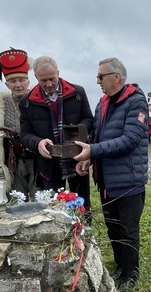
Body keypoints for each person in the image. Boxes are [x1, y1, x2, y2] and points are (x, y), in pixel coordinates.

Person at [73, 57, 148, 292]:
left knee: (128, 230)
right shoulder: (102, 104)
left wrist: (93, 150)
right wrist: (88, 157)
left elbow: (129, 140)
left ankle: (131, 273)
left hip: (128, 179)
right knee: (113, 227)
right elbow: (97, 135)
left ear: (116, 77)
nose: (98, 81)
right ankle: (120, 265)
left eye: (101, 77)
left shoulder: (136, 102)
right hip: (106, 178)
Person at [19, 56, 93, 216]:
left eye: (52, 78)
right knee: (53, 210)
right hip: (48, 164)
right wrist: (38, 143)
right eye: (43, 80)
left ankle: (84, 238)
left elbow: (88, 119)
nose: (49, 84)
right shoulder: (27, 102)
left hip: (77, 159)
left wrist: (78, 131)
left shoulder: (77, 93)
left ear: (58, 73)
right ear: (36, 78)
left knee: (82, 206)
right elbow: (24, 134)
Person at [0, 48, 40, 200]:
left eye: (22, 80)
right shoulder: (1, 104)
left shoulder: (38, 100)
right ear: (7, 84)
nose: (18, 85)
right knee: (17, 200)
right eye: (13, 81)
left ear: (28, 81)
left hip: (37, 157)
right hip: (14, 160)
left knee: (40, 198)